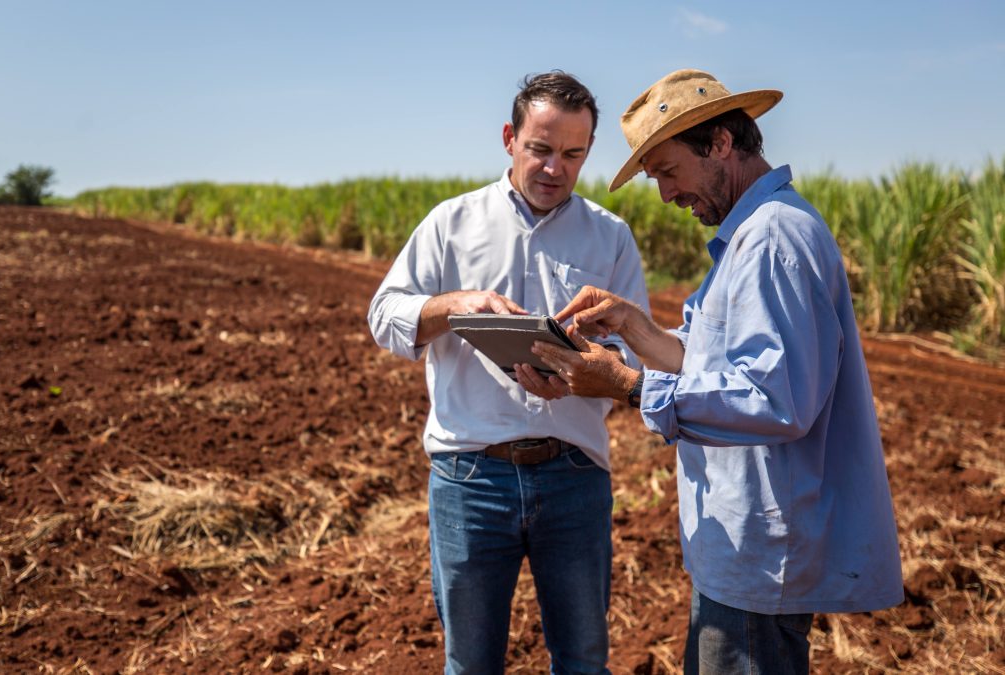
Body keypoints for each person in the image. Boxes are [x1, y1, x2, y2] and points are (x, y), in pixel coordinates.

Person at [518, 69, 904, 675]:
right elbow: (720, 361)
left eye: (669, 172)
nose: (667, 196)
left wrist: (626, 384)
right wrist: (634, 327)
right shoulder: (754, 234)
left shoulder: (773, 239)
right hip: (741, 551)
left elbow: (775, 400)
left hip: (759, 554)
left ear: (720, 143)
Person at [368, 71, 650, 674]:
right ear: (509, 139)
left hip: (575, 475)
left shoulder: (611, 237)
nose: (555, 168)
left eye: (573, 154)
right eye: (541, 150)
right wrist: (454, 305)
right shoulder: (451, 223)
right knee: (470, 664)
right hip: (470, 477)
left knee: (583, 662)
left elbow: (638, 354)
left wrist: (593, 369)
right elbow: (384, 315)